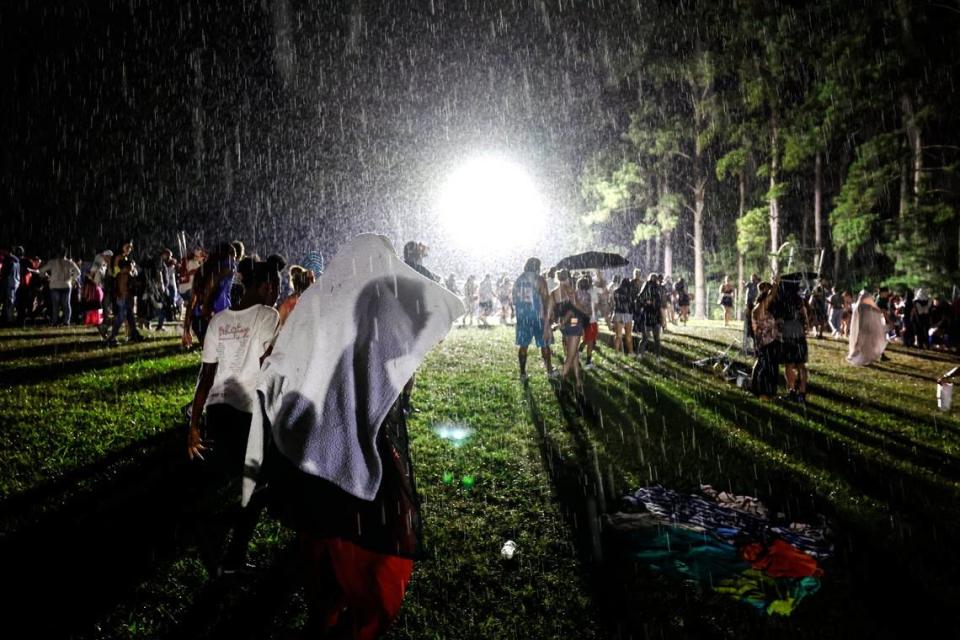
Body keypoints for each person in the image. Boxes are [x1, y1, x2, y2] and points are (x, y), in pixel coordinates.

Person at [242, 234, 462, 638]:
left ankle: (327, 602)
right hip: (362, 438)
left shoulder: (316, 306)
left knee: (323, 529)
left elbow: (274, 365)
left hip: (317, 437)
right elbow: (436, 316)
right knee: (358, 533)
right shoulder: (374, 308)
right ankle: (350, 608)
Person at [186, 261, 280, 576]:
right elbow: (273, 362)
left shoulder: (218, 321)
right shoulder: (268, 316)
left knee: (232, 478)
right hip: (248, 412)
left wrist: (194, 422)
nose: (277, 294)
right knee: (259, 484)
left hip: (217, 408)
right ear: (265, 286)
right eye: (275, 287)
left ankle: (216, 533)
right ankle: (226, 548)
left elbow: (206, 374)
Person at [182, 243, 236, 348]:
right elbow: (212, 284)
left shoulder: (202, 270)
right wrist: (207, 308)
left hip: (199, 321)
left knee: (210, 358)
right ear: (227, 256)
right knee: (223, 358)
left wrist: (186, 329)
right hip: (219, 316)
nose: (234, 260)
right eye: (233, 257)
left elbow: (192, 300)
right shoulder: (227, 266)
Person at [513, 258, 554, 382]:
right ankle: (549, 371)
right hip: (538, 317)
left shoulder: (519, 279)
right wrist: (548, 315)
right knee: (544, 344)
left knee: (523, 345)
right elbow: (546, 298)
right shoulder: (540, 279)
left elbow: (514, 300)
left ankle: (522, 373)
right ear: (537, 267)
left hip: (523, 318)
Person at [773, 275, 810, 402]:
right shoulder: (799, 299)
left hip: (788, 333)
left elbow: (778, 318)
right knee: (801, 364)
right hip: (799, 333)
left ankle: (792, 390)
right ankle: (802, 392)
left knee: (789, 364)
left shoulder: (782, 298)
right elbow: (805, 315)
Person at [553, 270, 588, 391]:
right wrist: (586, 310)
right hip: (574, 323)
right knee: (571, 354)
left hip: (565, 326)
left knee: (574, 353)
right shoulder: (570, 290)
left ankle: (578, 381)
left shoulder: (554, 292)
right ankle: (562, 380)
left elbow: (554, 310)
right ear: (568, 278)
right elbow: (575, 307)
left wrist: (558, 322)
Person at [750, 280, 780, 399]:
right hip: (765, 342)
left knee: (765, 366)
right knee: (766, 368)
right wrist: (776, 285)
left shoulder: (763, 309)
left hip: (769, 342)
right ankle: (763, 392)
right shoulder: (759, 308)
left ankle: (764, 392)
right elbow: (771, 296)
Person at [104, 258, 143, 346]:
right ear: (126, 267)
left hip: (124, 298)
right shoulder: (125, 275)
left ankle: (134, 335)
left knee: (131, 318)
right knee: (120, 318)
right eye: (131, 266)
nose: (132, 268)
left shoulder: (121, 274)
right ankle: (112, 337)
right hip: (123, 298)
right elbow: (125, 288)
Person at [38, 248, 81, 326]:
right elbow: (78, 272)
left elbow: (41, 271)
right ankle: (66, 321)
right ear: (66, 254)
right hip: (66, 285)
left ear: (57, 254)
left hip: (54, 285)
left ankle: (55, 321)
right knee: (66, 304)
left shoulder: (52, 262)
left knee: (55, 305)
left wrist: (46, 277)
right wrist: (72, 279)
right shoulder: (69, 262)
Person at [847, 290, 887, 366]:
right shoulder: (860, 306)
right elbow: (859, 319)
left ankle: (866, 359)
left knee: (868, 344)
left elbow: (876, 311)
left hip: (868, 327)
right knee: (861, 344)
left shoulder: (865, 305)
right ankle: (857, 357)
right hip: (863, 328)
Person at [636, 273, 663, 361]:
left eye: (655, 278)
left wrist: (653, 303)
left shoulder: (658, 288)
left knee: (656, 338)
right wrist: (645, 302)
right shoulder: (646, 286)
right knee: (645, 337)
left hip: (655, 315)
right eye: (652, 278)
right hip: (647, 315)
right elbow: (640, 298)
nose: (653, 280)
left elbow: (660, 303)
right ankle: (640, 354)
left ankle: (658, 356)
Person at [612, 274, 637, 356]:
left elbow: (614, 303)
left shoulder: (616, 292)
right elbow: (632, 304)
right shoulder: (630, 293)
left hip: (618, 313)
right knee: (628, 335)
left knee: (618, 335)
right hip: (628, 314)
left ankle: (616, 352)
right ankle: (631, 352)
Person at [1, 246, 22, 325]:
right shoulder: (16, 260)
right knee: (11, 301)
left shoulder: (9, 261)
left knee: (10, 301)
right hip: (15, 283)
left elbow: (5, 273)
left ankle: (9, 318)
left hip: (10, 283)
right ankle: (8, 316)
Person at [743, 274, 760, 352]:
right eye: (751, 278)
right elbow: (745, 285)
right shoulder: (750, 284)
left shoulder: (757, 284)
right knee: (748, 326)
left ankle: (754, 346)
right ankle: (748, 346)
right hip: (749, 303)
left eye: (754, 278)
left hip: (754, 303)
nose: (752, 280)